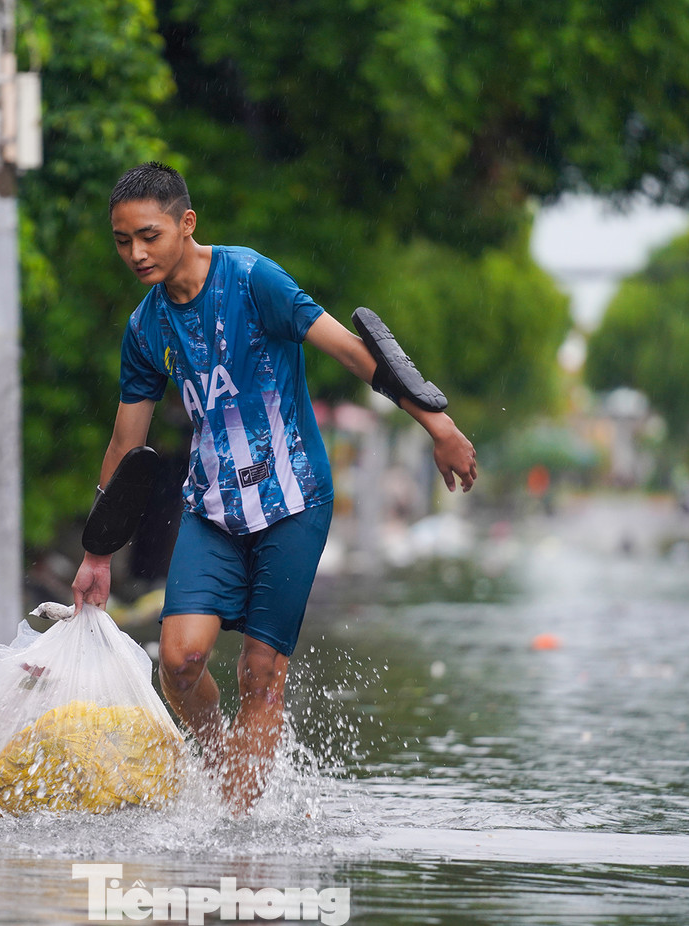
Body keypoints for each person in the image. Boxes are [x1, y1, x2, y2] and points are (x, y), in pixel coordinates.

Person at [71, 162, 477, 814]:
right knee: (179, 660)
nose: (136, 253)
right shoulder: (146, 328)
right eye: (122, 241)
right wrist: (97, 553)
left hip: (294, 503)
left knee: (260, 675)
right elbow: (126, 445)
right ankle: (224, 768)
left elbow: (350, 349)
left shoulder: (252, 279)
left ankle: (239, 833)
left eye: (148, 235)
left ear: (186, 223)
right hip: (210, 509)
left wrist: (438, 423)